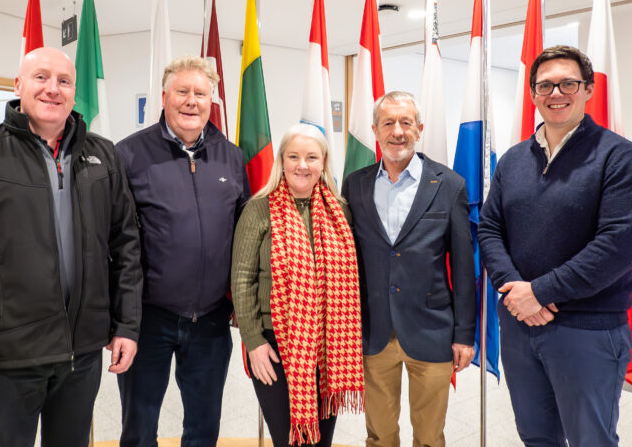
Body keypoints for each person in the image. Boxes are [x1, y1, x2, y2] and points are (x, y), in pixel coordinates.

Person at [0, 47, 143, 447]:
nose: (52, 89)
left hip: (81, 355)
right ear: (19, 85)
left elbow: (125, 244)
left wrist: (127, 324)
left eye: (63, 81)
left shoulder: (102, 155)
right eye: (41, 77)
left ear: (74, 94)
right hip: (9, 357)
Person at [478, 45, 632, 447]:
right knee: (536, 437)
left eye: (568, 83)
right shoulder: (512, 160)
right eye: (545, 85)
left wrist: (540, 292)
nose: (556, 93)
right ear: (533, 94)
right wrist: (515, 290)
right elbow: (489, 228)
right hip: (520, 325)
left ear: (588, 89)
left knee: (590, 439)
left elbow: (615, 247)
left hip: (587, 329)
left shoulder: (619, 158)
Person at [115, 55, 250, 447]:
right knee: (139, 430)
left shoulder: (231, 155)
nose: (192, 101)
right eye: (183, 92)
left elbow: (244, 237)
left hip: (210, 321)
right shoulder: (129, 155)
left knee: (203, 430)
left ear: (212, 102)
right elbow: (116, 240)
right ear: (164, 97)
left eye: (201, 94)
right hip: (148, 320)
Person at [341, 91, 476, 447]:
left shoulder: (448, 184)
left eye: (405, 123)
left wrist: (465, 334)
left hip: (432, 331)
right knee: (379, 434)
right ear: (375, 130)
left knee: (430, 436)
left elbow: (463, 267)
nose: (397, 131)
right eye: (388, 123)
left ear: (419, 129)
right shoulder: (355, 184)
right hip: (374, 330)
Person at [231, 123, 364, 447]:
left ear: (323, 162)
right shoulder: (259, 209)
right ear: (282, 160)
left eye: (311, 157)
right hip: (273, 344)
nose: (302, 165)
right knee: (288, 440)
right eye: (294, 156)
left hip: (329, 345)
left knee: (321, 442)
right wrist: (253, 343)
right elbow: (241, 281)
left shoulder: (341, 212)